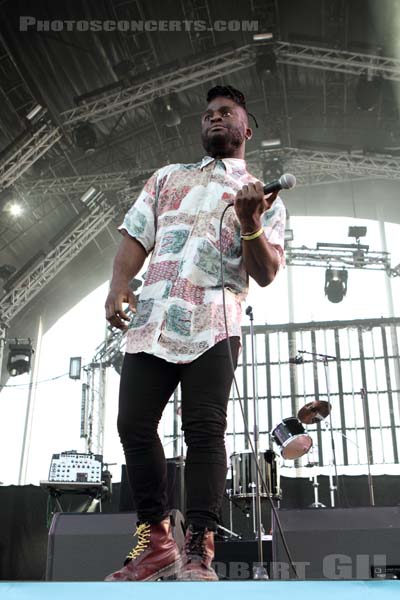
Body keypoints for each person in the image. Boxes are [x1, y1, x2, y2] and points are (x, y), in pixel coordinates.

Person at [104, 85, 286, 582]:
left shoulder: (261, 193)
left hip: (214, 326)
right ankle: (156, 540)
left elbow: (267, 273)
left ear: (246, 129)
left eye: (226, 114)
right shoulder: (167, 178)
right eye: (208, 115)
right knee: (132, 425)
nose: (214, 119)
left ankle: (200, 546)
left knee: (205, 433)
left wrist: (250, 222)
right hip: (152, 322)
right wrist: (119, 284)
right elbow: (136, 234)